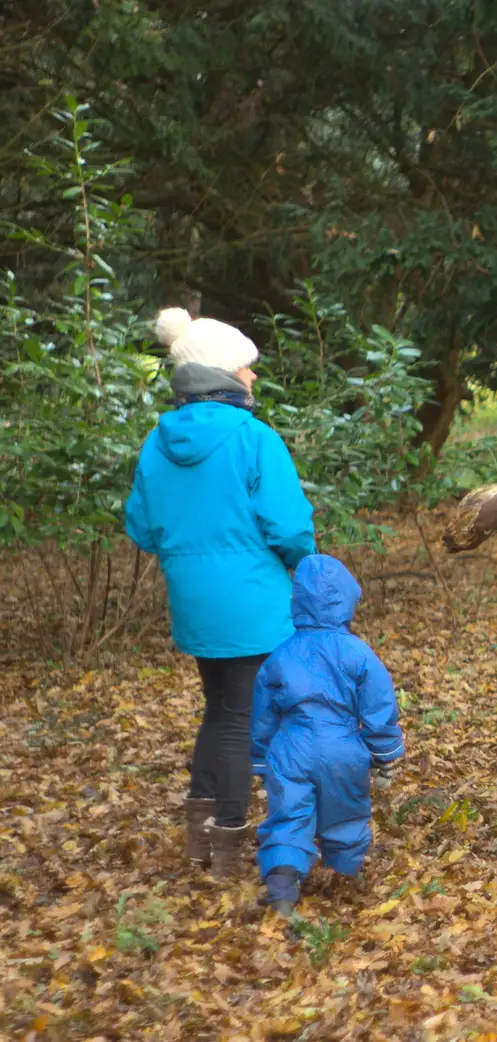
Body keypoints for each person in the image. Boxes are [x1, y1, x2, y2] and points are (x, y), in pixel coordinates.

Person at [125, 308, 316, 879]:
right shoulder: (255, 439)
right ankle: (230, 846)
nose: (252, 378)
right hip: (253, 602)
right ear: (221, 374)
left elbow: (142, 527)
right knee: (238, 720)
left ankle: (198, 834)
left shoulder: (156, 444)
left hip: (194, 603)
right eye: (245, 368)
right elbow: (289, 527)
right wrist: (304, 569)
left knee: (220, 710)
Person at [251, 554, 404, 916]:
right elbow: (379, 706)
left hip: (292, 747)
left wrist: (259, 757)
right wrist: (384, 755)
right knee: (346, 814)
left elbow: (264, 711)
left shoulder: (281, 654)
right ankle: (344, 875)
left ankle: (283, 886)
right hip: (343, 748)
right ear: (348, 600)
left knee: (288, 814)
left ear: (298, 602)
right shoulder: (358, 653)